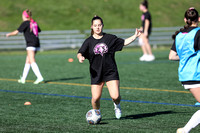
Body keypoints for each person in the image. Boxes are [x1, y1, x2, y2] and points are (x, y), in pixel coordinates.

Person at [77, 15, 141, 119]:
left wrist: (135, 36)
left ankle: (117, 106)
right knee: (95, 99)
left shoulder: (110, 38)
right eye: (95, 25)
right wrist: (80, 57)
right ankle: (96, 114)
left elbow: (123, 42)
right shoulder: (88, 41)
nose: (97, 27)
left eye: (99, 25)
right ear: (92, 27)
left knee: (115, 96)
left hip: (110, 71)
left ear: (102, 26)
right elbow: (80, 52)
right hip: (96, 73)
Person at [169, 7, 200, 133]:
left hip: (186, 75)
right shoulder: (198, 33)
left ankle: (185, 130)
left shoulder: (180, 35)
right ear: (198, 19)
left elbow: (172, 56)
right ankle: (185, 130)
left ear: (185, 19)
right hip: (195, 75)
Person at [6, 9, 44, 84]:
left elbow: (16, 32)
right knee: (28, 61)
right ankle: (23, 79)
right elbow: (39, 31)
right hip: (36, 43)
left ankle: (39, 77)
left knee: (32, 60)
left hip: (30, 44)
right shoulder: (34, 22)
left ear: (24, 16)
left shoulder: (25, 23)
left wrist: (9, 34)